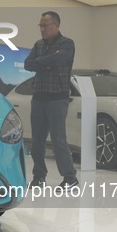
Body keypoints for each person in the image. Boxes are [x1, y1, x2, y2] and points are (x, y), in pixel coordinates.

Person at [24, 11, 78, 191]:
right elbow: (28, 64)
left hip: (57, 99)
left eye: (44, 25)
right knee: (37, 142)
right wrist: (46, 62)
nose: (41, 29)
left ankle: (70, 178)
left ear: (56, 25)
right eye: (40, 25)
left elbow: (58, 59)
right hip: (38, 99)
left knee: (58, 140)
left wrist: (42, 62)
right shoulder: (38, 44)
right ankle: (39, 177)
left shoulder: (67, 44)